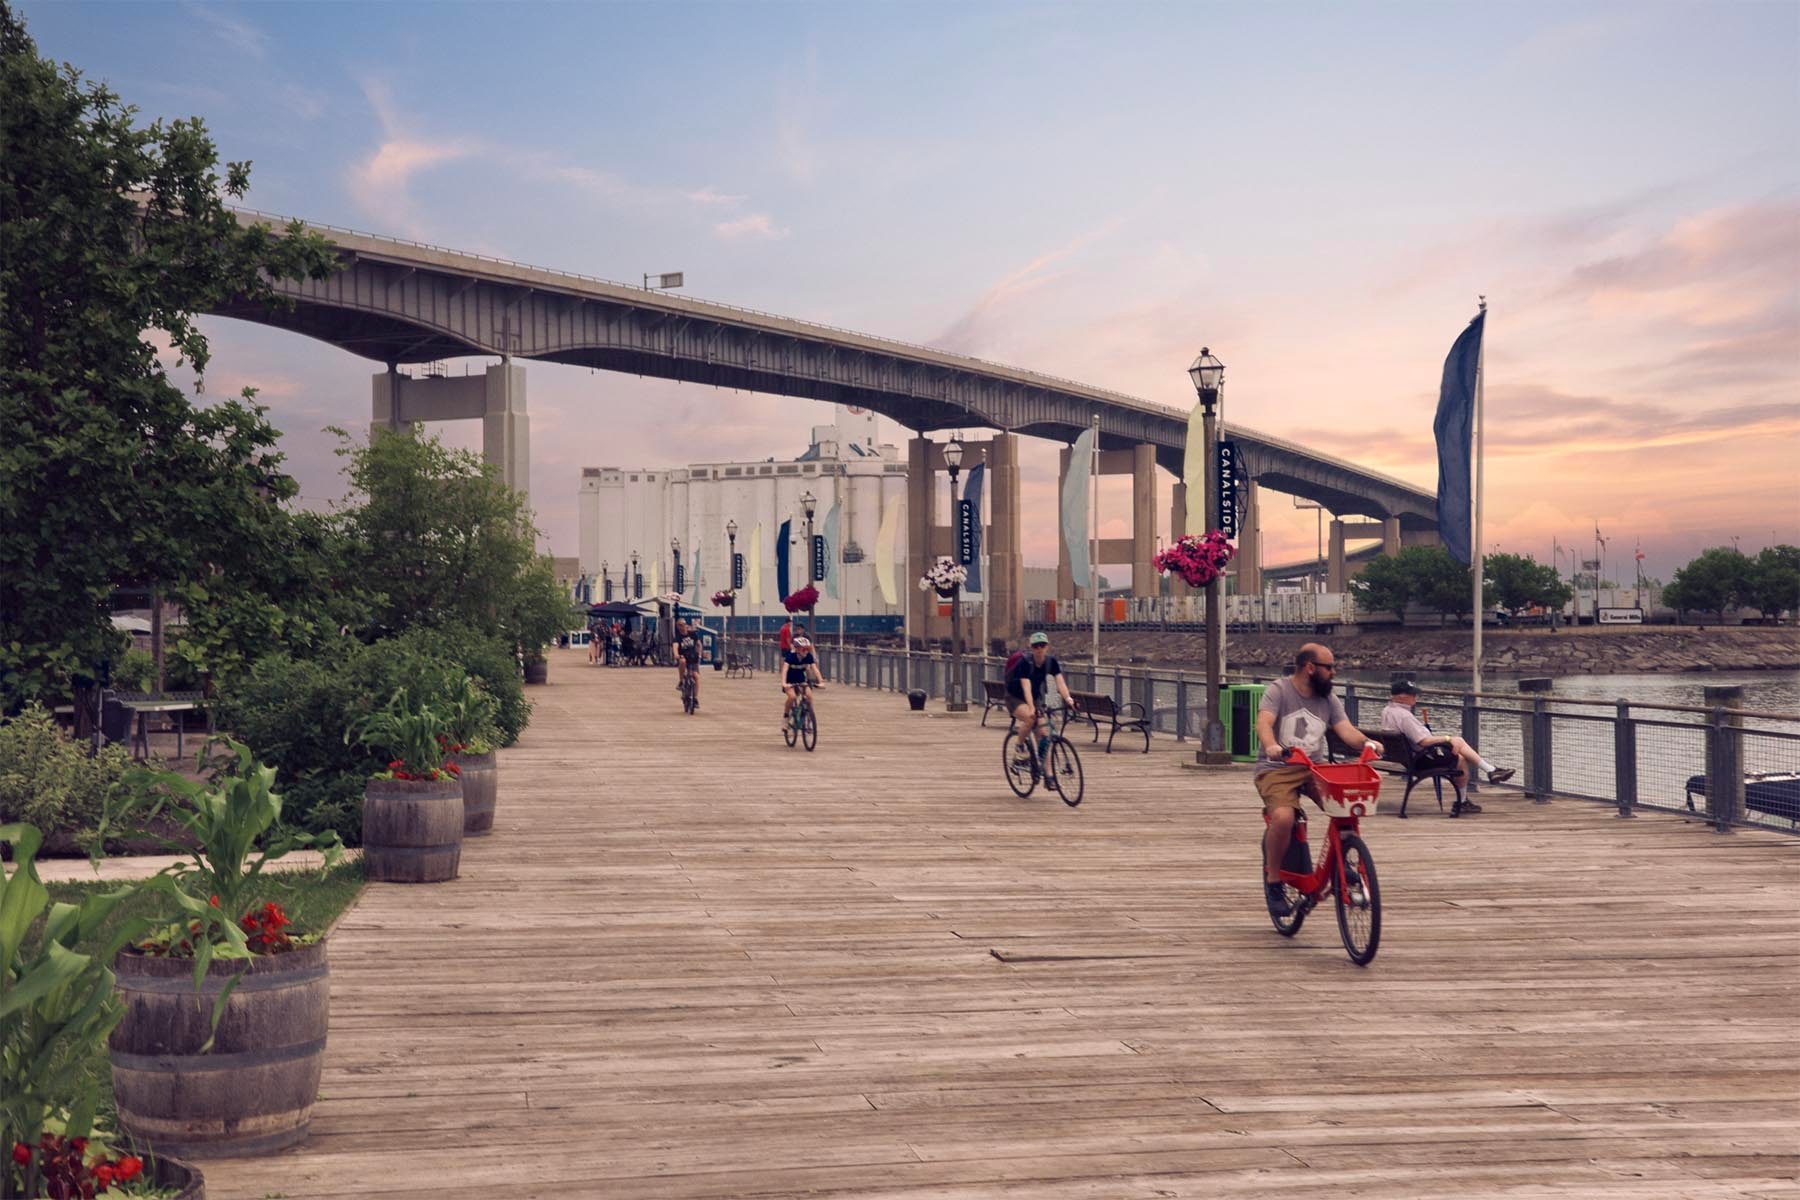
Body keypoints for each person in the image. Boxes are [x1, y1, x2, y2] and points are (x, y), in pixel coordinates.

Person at [1256, 644, 1383, 918]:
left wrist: (1367, 743)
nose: (1333, 672)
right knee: (1283, 818)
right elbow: (1264, 723)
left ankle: (1342, 855)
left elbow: (1345, 729)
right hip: (1277, 767)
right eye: (1329, 667)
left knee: (1346, 803)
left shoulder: (1328, 698)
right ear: (1310, 668)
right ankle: (1274, 881)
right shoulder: (1279, 690)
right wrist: (1271, 746)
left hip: (1314, 767)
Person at [1381, 679, 1514, 809]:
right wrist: (1447, 738)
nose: (1416, 697)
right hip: (1420, 759)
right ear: (1401, 696)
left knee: (1457, 744)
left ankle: (1490, 770)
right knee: (1460, 756)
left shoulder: (1387, 711)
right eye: (1413, 694)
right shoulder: (1404, 716)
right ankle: (1468, 794)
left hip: (1406, 757)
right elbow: (1423, 741)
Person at [1005, 632, 1077, 763]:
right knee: (1030, 718)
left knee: (1044, 735)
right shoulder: (1025, 663)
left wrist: (1068, 699)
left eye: (1042, 646)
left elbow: (1060, 683)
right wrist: (1032, 708)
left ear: (1047, 647)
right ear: (1031, 648)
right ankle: (1019, 746)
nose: (1039, 649)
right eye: (1036, 646)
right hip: (1015, 697)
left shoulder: (1051, 662)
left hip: (1035, 697)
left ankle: (1047, 775)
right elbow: (1026, 687)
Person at [782, 635, 824, 730]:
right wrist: (784, 683)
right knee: (792, 697)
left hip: (801, 679)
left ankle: (809, 719)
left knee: (809, 696)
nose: (806, 651)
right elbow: (784, 670)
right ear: (797, 649)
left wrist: (821, 681)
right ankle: (785, 718)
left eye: (807, 649)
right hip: (790, 680)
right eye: (803, 649)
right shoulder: (791, 656)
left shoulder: (808, 656)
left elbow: (815, 669)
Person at [676, 620, 703, 709]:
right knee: (682, 662)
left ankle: (695, 698)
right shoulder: (677, 637)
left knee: (696, 676)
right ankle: (681, 682)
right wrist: (677, 655)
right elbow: (675, 647)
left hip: (693, 658)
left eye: (682, 625)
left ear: (686, 625)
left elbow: (699, 644)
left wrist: (699, 654)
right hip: (683, 657)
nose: (681, 627)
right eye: (679, 625)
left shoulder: (693, 634)